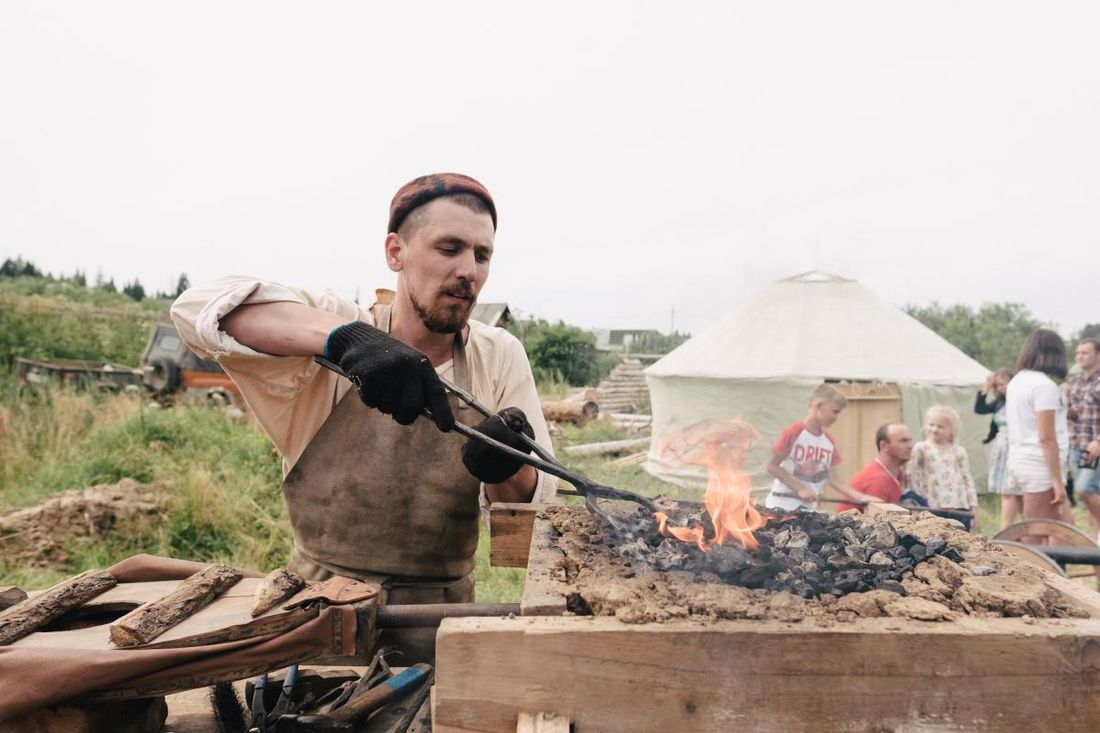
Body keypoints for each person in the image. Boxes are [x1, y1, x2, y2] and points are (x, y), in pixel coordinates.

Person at [170, 173, 555, 660]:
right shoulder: (334, 325)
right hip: (315, 614)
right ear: (396, 252)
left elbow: (525, 511)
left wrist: (506, 465)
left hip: (438, 625)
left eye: (482, 255)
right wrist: (348, 340)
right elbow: (197, 311)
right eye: (449, 248)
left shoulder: (498, 356)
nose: (469, 271)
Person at [764, 384, 874, 512]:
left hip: (808, 509)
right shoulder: (794, 432)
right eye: (835, 411)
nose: (836, 418)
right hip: (781, 505)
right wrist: (799, 488)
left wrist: (861, 497)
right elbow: (772, 466)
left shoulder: (829, 441)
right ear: (819, 405)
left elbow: (834, 480)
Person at [1005, 329, 1069, 525]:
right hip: (1039, 463)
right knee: (1038, 532)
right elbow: (1046, 437)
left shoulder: (1017, 381)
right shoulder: (1044, 386)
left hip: (1020, 457)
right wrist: (1057, 480)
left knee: (1063, 526)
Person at [908, 405, 980, 530]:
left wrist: (974, 505)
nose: (934, 429)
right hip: (933, 505)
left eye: (940, 426)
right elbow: (913, 476)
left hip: (959, 506)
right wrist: (917, 503)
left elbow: (967, 478)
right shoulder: (922, 448)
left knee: (960, 541)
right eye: (931, 425)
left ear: (951, 429)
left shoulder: (958, 451)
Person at [975, 368, 1020, 530]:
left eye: (1002, 384)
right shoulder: (999, 402)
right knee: (1006, 490)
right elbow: (980, 409)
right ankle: (1012, 528)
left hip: (1015, 446)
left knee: (1012, 491)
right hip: (1000, 447)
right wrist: (986, 388)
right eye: (997, 386)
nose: (1000, 388)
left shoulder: (1019, 400)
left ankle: (1006, 529)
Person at [835, 423, 914, 513]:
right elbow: (878, 522)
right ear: (884, 446)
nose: (910, 445)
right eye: (903, 441)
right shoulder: (879, 479)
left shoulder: (896, 473)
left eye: (910, 440)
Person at [1067, 338, 1100, 538]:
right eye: (1078, 352)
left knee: (1083, 490)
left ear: (1098, 355)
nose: (1080, 356)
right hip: (1076, 444)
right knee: (1090, 497)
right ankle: (1096, 543)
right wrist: (1070, 412)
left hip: (1094, 445)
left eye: (1085, 353)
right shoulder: (1074, 382)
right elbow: (1072, 415)